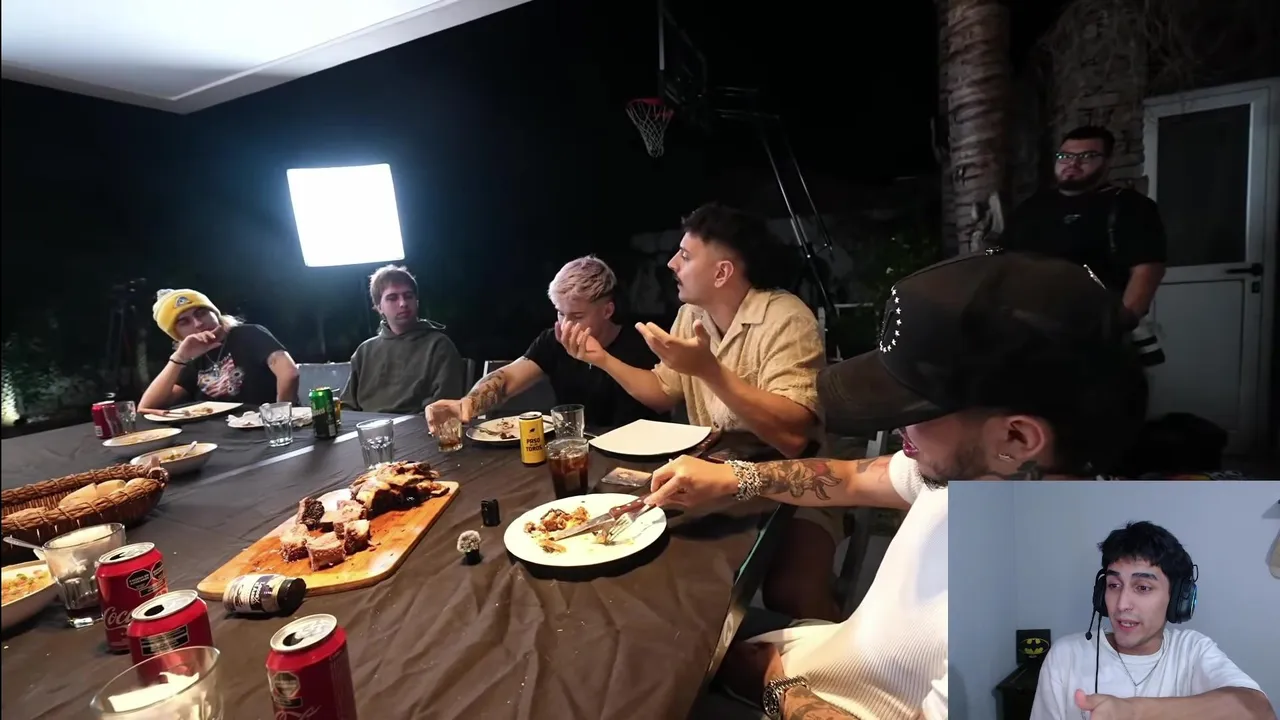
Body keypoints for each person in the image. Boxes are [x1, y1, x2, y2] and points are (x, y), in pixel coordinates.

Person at [638, 251, 1151, 720]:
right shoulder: (979, 472)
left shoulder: (1034, 609)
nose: (896, 430)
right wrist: (735, 477)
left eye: (915, 411)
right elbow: (857, 477)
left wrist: (774, 687)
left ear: (1017, 436)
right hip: (828, 661)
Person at [555, 203, 833, 620]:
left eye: (685, 255)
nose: (672, 263)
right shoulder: (691, 316)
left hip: (797, 486)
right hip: (715, 480)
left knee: (792, 594)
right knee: (665, 575)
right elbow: (662, 393)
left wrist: (710, 371)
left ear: (722, 273)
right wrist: (602, 359)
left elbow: (794, 438)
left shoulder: (786, 319)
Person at [1029, 521, 1272, 720]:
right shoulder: (1067, 655)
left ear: (1177, 600)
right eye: (1114, 585)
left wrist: (1133, 711)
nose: (1122, 604)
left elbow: (1259, 711)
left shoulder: (1192, 650)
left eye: (1143, 587)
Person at [424, 255, 661, 429]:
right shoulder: (553, 340)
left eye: (577, 316)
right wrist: (468, 403)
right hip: (576, 448)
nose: (566, 324)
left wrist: (603, 360)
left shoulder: (640, 341)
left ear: (607, 310)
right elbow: (507, 379)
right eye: (560, 313)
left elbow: (662, 400)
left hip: (638, 455)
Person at [999, 125, 1167, 365]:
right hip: (1028, 330)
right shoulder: (1032, 207)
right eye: (1065, 156)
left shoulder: (1130, 206)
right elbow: (1002, 256)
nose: (1073, 163)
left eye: (1087, 156)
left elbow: (1147, 270)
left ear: (1107, 161)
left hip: (1096, 331)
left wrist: (1121, 323)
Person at [140, 288, 299, 410]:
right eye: (184, 322)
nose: (198, 323)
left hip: (261, 429)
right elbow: (148, 406)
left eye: (201, 313)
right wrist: (178, 358)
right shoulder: (191, 357)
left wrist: (280, 417)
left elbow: (289, 373)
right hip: (215, 435)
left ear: (215, 313)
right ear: (176, 334)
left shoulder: (249, 334)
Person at [341, 265, 465, 415]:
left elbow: (445, 406)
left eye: (408, 296)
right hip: (367, 426)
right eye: (392, 298)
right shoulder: (364, 351)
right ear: (379, 307)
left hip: (418, 425)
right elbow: (346, 406)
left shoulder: (438, 346)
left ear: (416, 301)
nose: (403, 303)